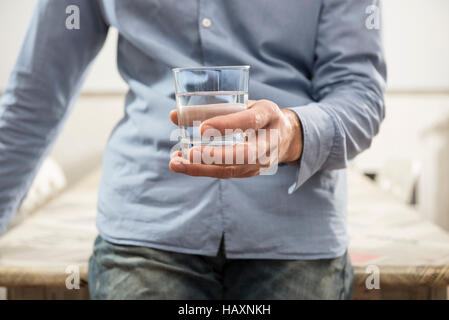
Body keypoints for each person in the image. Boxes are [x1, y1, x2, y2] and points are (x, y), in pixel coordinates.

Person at [0, 0, 386, 299]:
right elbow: (35, 96)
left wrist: (292, 132)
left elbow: (360, 95)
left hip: (294, 228)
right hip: (147, 225)